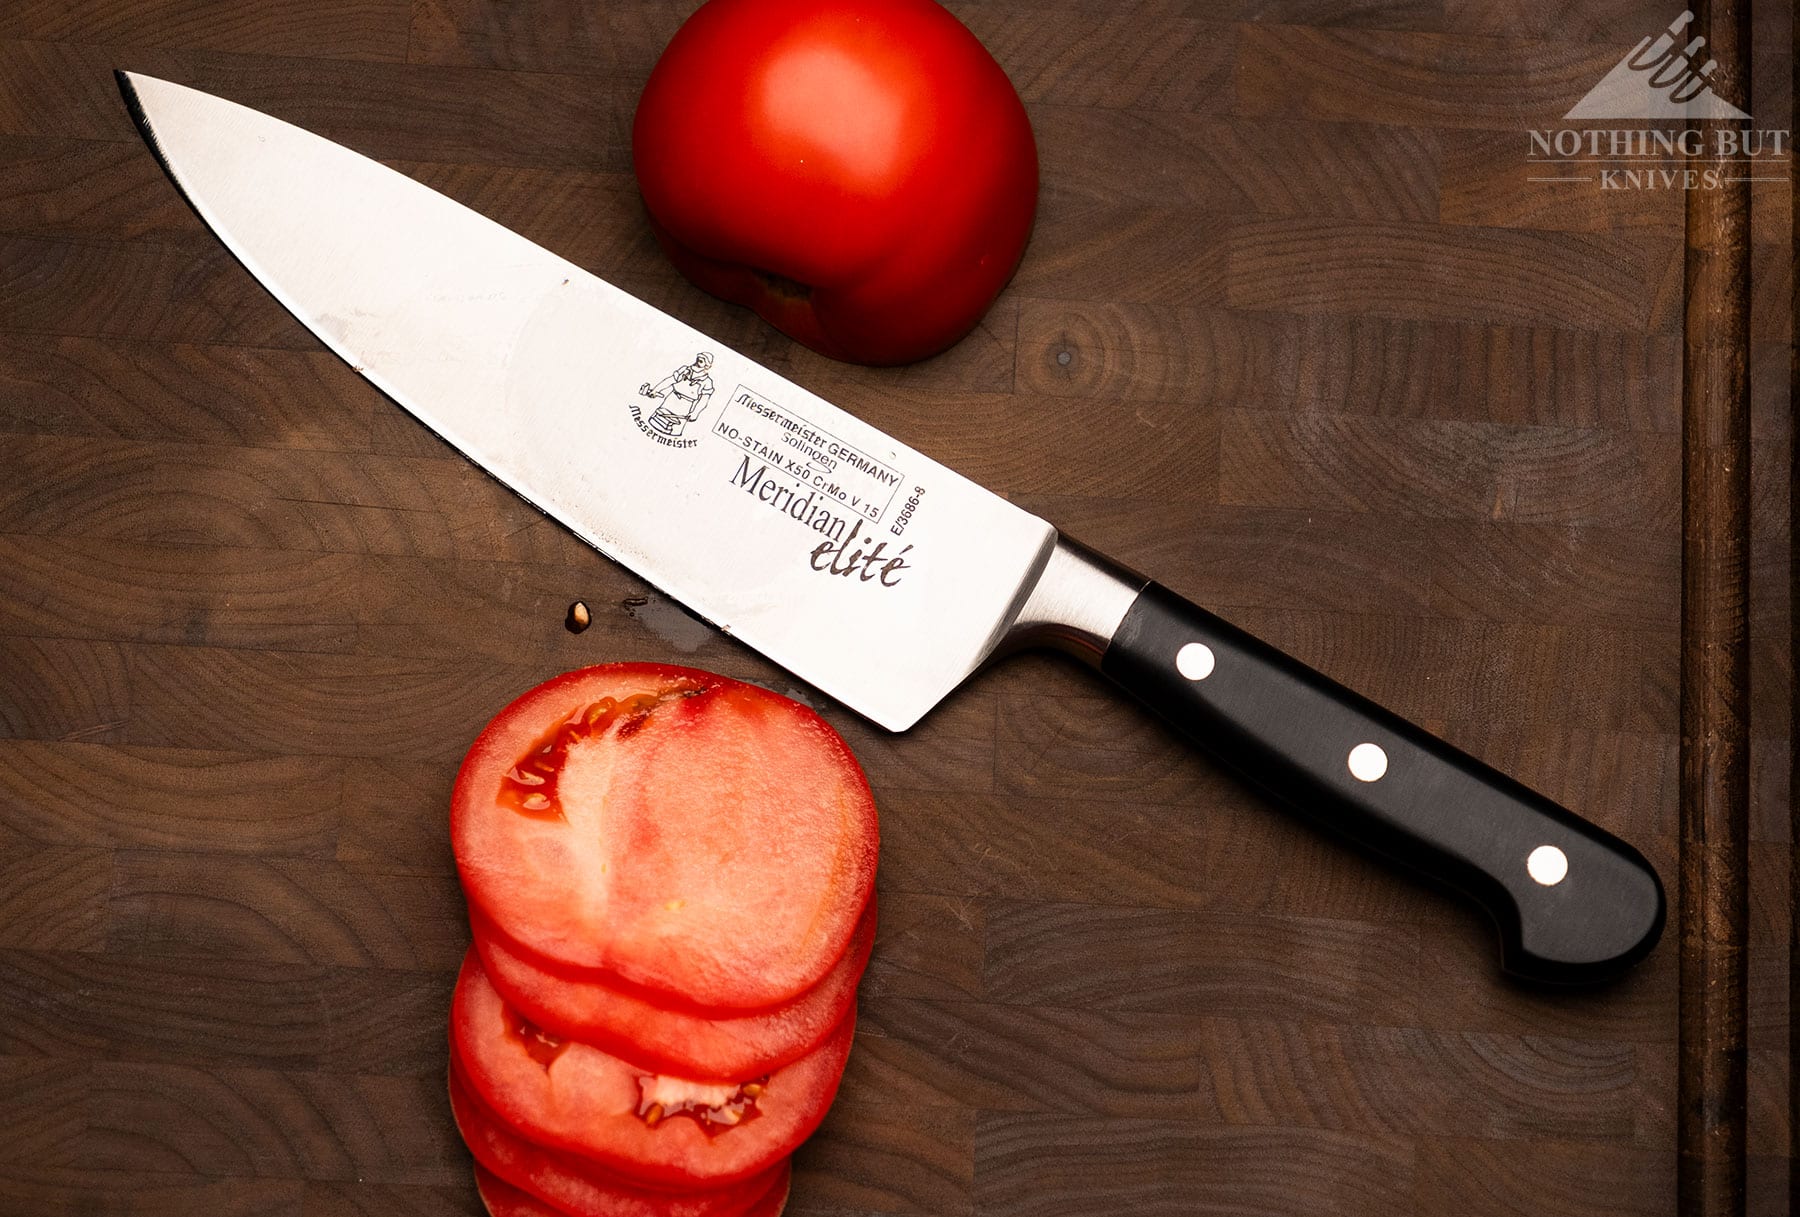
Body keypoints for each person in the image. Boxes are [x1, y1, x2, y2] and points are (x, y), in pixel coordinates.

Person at [639, 352, 716, 437]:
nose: (698, 361)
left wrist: (695, 413)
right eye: (699, 359)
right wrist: (655, 390)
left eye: (702, 360)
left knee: (672, 433)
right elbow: (670, 380)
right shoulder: (685, 370)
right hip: (670, 400)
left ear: (707, 365)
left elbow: (703, 400)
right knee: (655, 422)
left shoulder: (707, 382)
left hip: (685, 407)